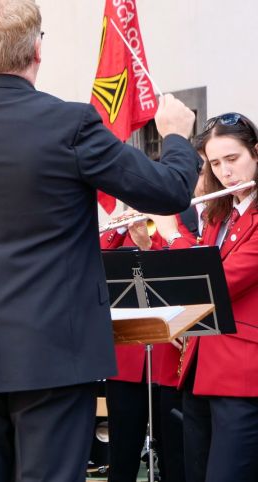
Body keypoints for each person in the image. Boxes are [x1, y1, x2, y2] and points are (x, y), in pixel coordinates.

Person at [0, 0, 200, 479]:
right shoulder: (71, 125)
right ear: (37, 49)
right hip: (52, 348)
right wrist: (178, 138)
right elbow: (170, 191)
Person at [150, 112, 258, 481]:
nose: (226, 173)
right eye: (215, 163)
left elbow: (215, 282)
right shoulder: (218, 215)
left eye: (233, 159)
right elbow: (190, 282)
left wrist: (172, 233)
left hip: (242, 376)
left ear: (256, 154)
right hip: (199, 367)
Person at [99, 212, 188, 482]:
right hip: (126, 361)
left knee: (174, 454)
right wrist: (119, 228)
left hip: (168, 361)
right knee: (122, 454)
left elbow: (186, 267)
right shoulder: (123, 229)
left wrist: (150, 245)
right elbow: (94, 259)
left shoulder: (176, 224)